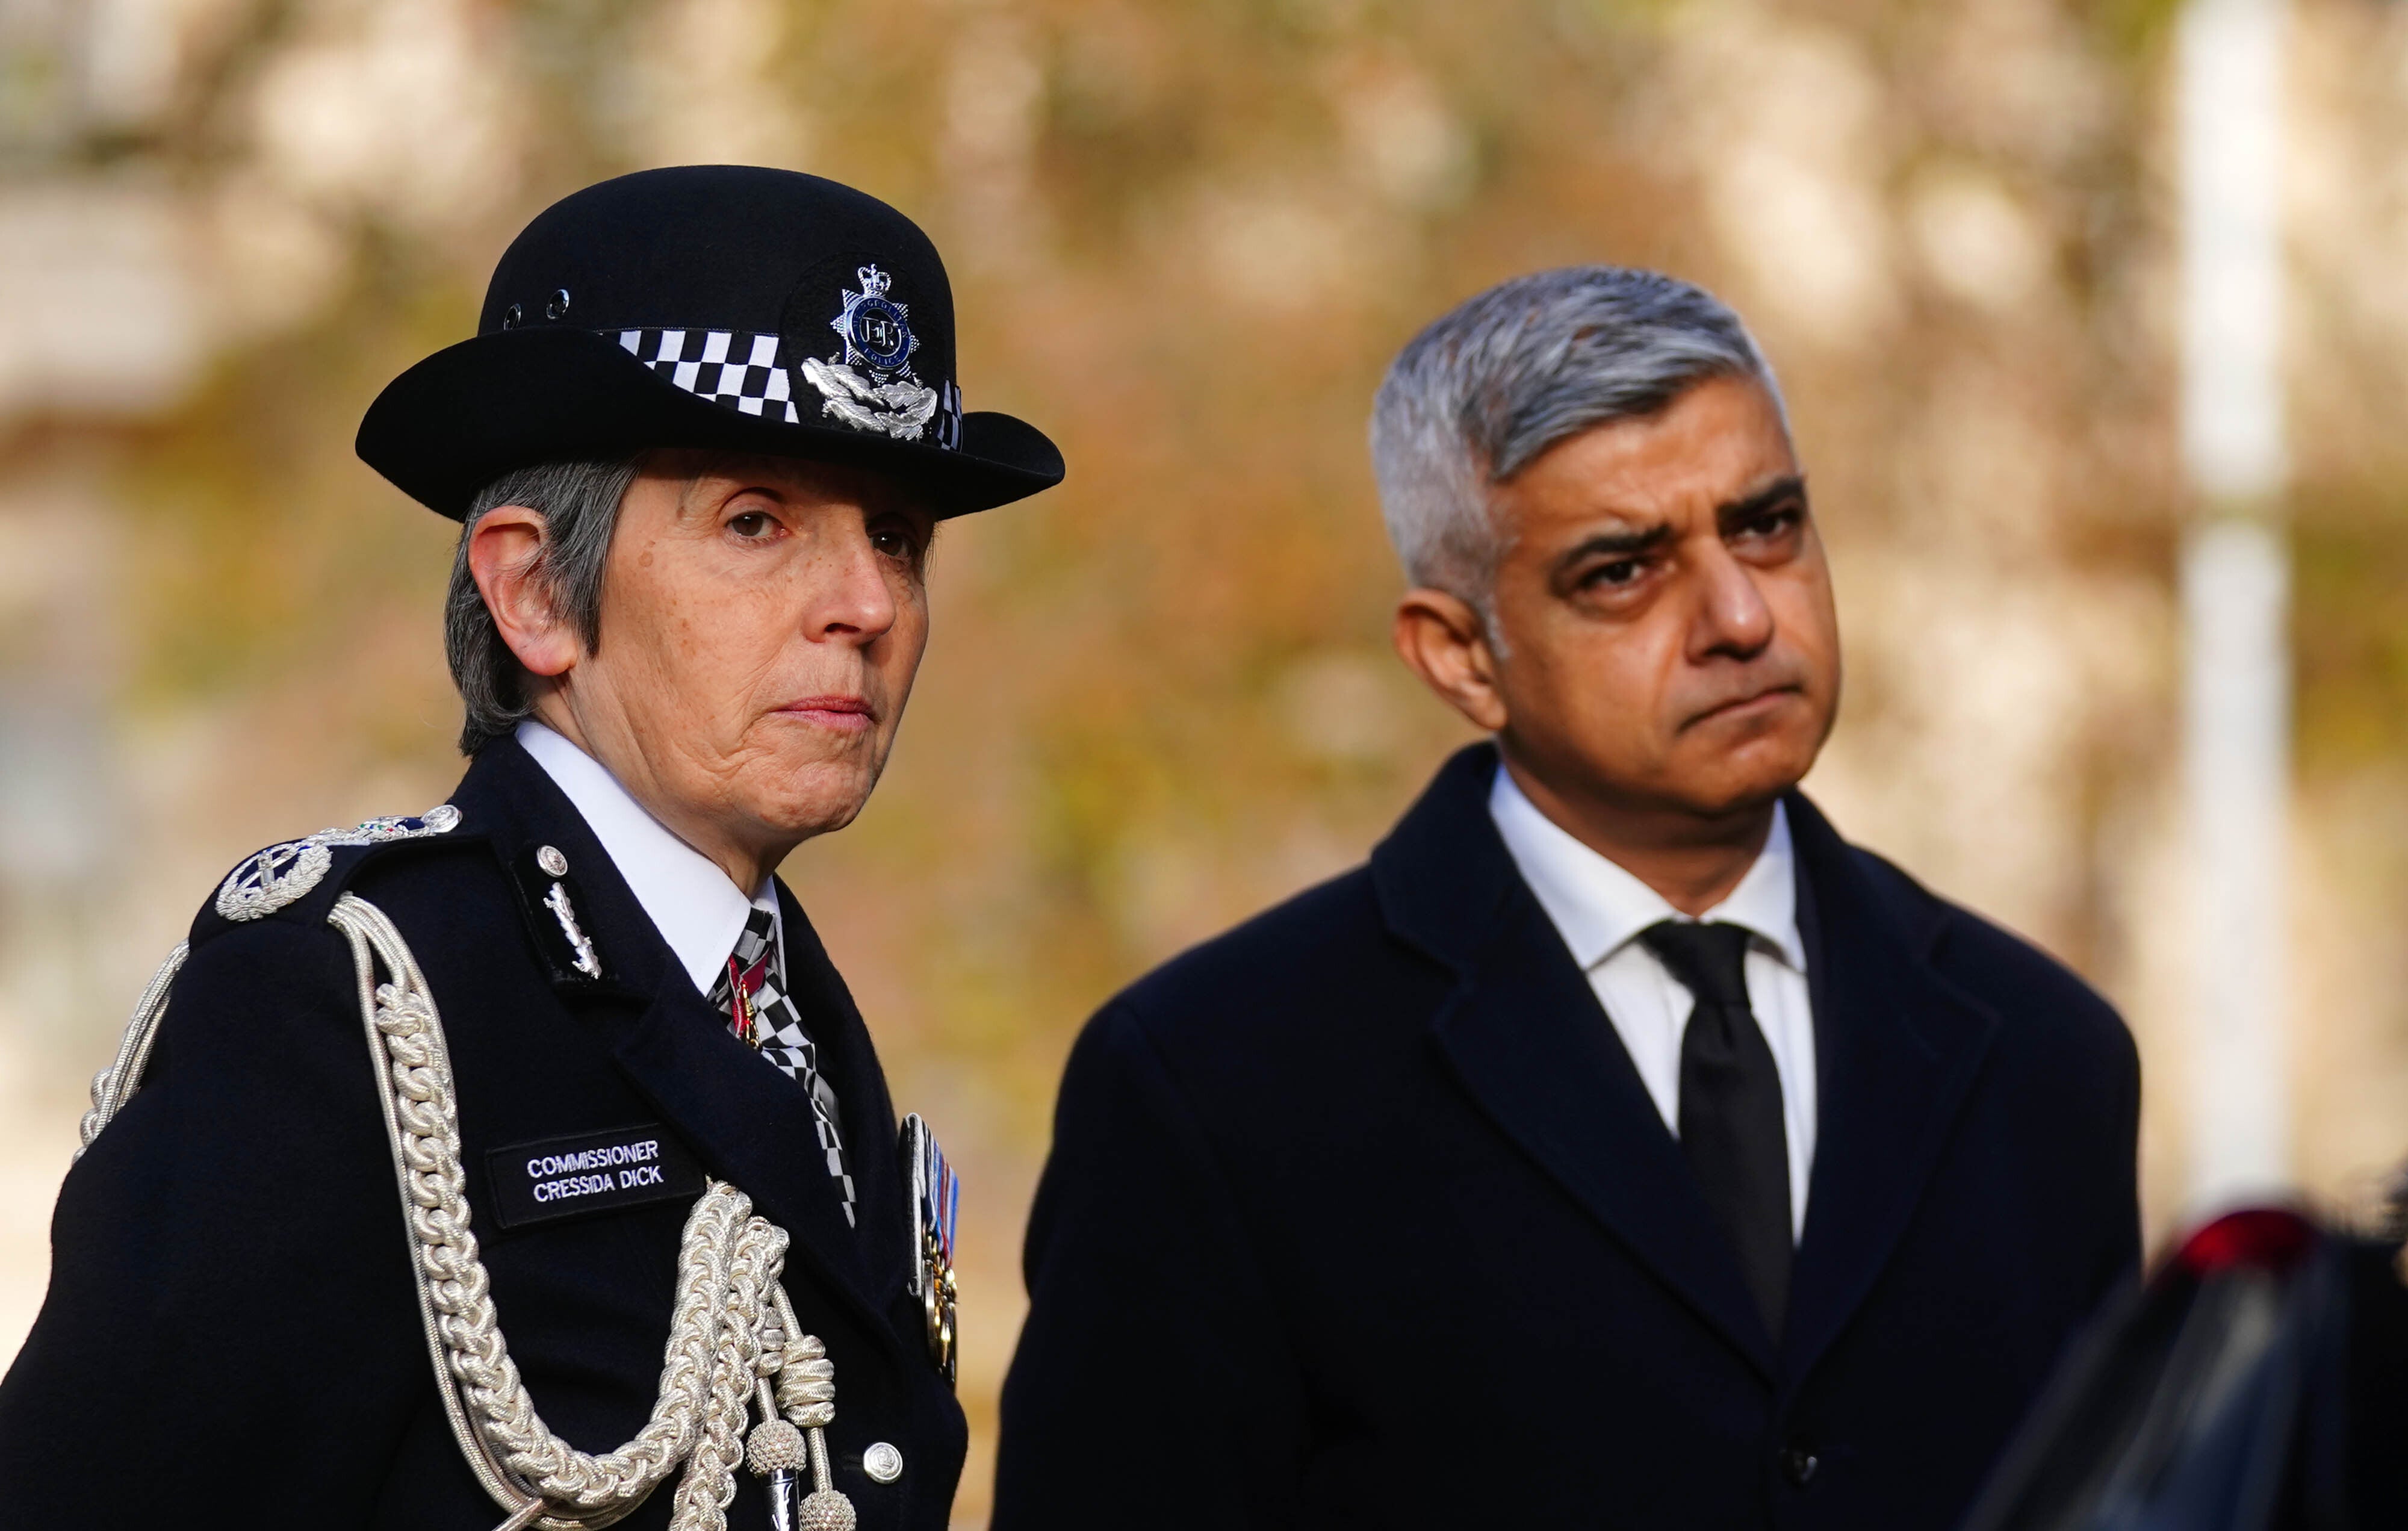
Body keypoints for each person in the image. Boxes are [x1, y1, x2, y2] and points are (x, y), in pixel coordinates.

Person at [0, 166, 1060, 1531]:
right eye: (755, 522)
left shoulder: (784, 1001)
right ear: (532, 591)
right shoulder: (350, 1003)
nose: (865, 603)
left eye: (898, 538)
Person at [995, 268, 2139, 1530]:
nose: (1739, 615)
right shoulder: (1214, 1087)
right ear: (1459, 655)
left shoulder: (2045, 1059)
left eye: (1764, 524)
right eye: (1621, 571)